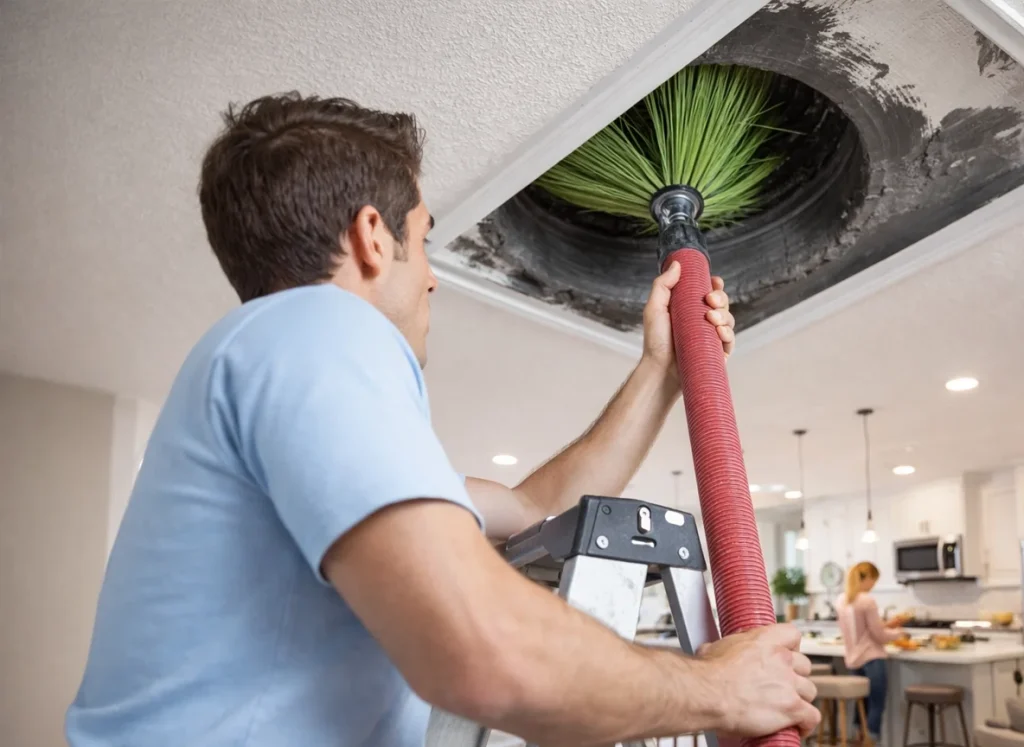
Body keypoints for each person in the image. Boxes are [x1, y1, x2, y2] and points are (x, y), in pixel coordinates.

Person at [66, 93, 820, 746]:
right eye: (422, 238)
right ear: (370, 235)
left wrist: (661, 369)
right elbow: (482, 649)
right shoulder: (316, 328)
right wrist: (717, 686)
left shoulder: (271, 368)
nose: (431, 276)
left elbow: (532, 509)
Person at [837, 561, 905, 743]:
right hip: (872, 658)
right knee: (876, 702)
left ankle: (857, 737)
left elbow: (863, 630)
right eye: (874, 580)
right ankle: (871, 740)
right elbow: (879, 636)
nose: (873, 585)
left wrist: (887, 626)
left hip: (853, 659)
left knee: (862, 704)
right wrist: (899, 634)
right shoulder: (867, 600)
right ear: (866, 578)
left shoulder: (841, 600)